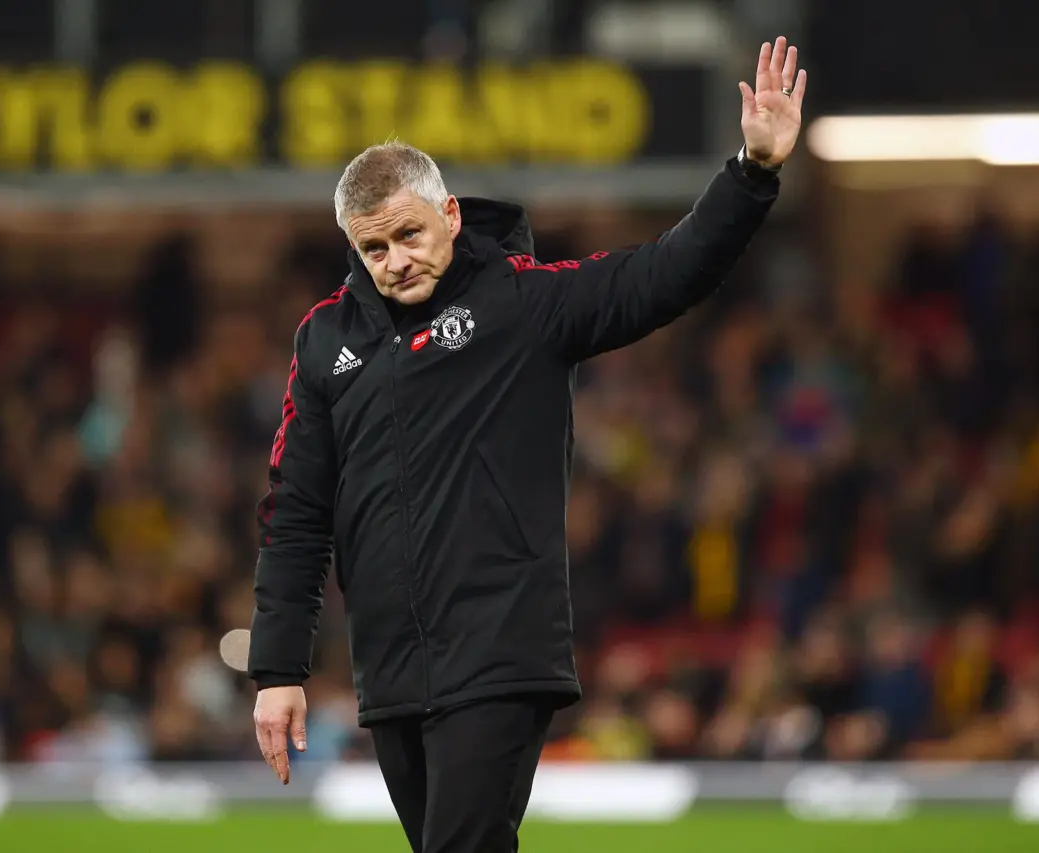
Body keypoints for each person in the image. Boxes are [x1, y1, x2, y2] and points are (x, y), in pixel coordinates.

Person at [248, 37, 808, 852]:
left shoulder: (523, 305)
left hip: (502, 652)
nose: (395, 261)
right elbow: (295, 512)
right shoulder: (325, 341)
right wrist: (277, 668)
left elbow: (662, 275)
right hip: (393, 667)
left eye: (407, 235)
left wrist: (750, 175)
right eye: (373, 249)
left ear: (449, 214)